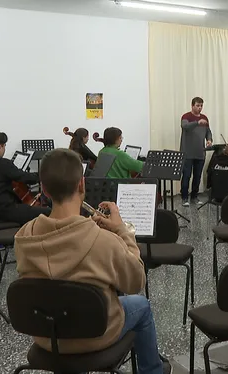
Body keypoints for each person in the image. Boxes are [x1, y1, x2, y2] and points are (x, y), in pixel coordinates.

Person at [14, 149, 170, 374]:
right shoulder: (104, 241)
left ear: (44, 189)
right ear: (82, 185)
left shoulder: (23, 236)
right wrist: (123, 232)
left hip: (46, 336)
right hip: (95, 335)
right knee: (142, 305)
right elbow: (136, 281)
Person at [0, 131, 51, 225]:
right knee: (48, 212)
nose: (4, 148)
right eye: (4, 145)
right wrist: (44, 175)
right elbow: (25, 177)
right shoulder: (3, 164)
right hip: (5, 210)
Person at [180, 97, 213, 207]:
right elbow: (185, 126)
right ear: (192, 105)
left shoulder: (205, 118)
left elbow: (208, 132)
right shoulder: (186, 116)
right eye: (198, 105)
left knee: (197, 176)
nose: (200, 108)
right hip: (187, 153)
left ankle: (194, 196)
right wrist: (197, 122)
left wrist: (209, 140)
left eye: (201, 106)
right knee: (186, 176)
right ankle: (184, 197)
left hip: (200, 153)